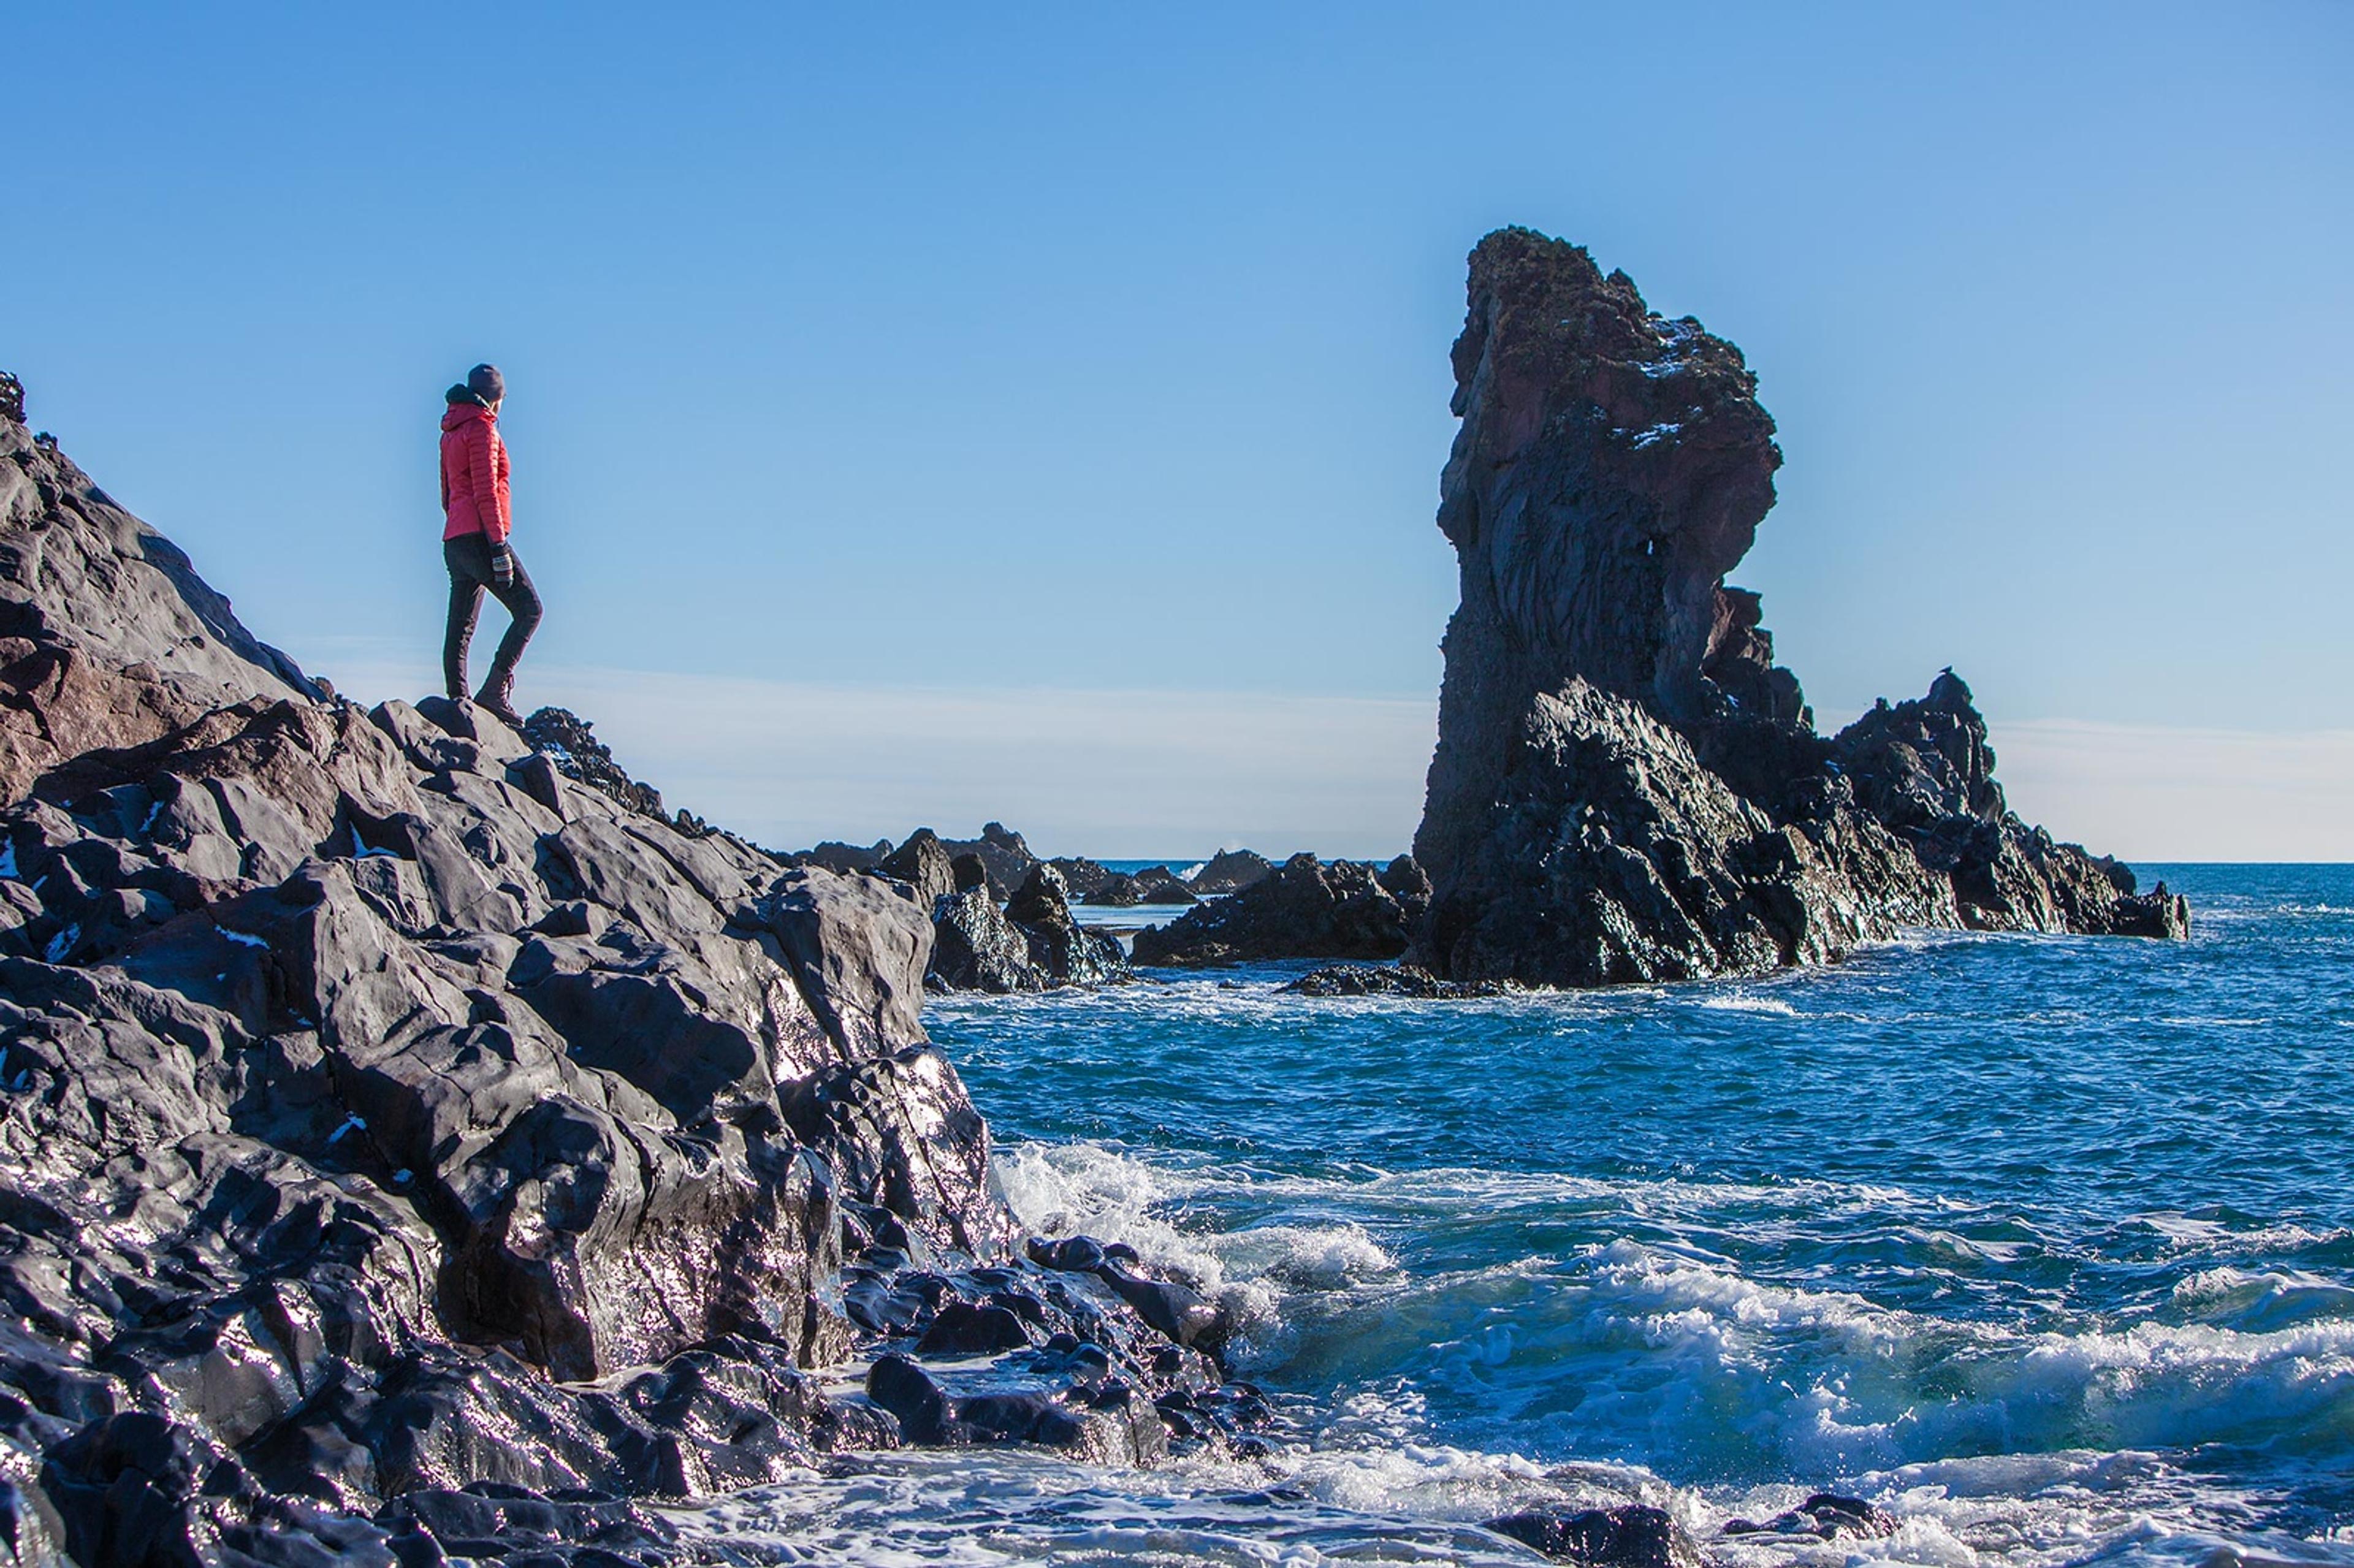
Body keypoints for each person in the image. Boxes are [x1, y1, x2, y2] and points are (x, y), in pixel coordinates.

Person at [440, 362, 540, 725]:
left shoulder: (450, 429)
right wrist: (498, 548)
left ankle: (458, 703)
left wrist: (459, 529)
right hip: (482, 537)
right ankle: (493, 692)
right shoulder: (482, 430)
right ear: (496, 398)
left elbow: (447, 494)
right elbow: (487, 494)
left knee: (461, 625)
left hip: (455, 539)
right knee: (530, 610)